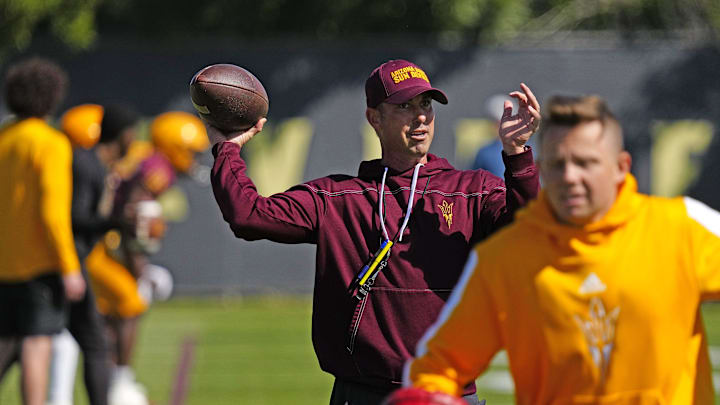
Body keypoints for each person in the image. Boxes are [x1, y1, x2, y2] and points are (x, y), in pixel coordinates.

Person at [207, 59, 541, 404]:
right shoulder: (337, 198)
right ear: (374, 118)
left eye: (426, 104)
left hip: (447, 392)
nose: (421, 116)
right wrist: (227, 148)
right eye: (405, 106)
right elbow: (249, 215)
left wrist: (517, 156)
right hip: (361, 393)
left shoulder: (470, 190)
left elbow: (528, 233)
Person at [400, 95, 720, 404]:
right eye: (557, 164)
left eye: (585, 163)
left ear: (621, 166)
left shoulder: (682, 227)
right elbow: (438, 366)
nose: (569, 177)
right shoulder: (506, 256)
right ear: (541, 167)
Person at [84, 110, 207, 405]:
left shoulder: (145, 155)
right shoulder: (158, 169)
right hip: (101, 243)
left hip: (102, 240)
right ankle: (120, 385)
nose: (193, 157)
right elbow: (136, 219)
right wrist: (141, 270)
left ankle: (115, 383)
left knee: (110, 317)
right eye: (189, 150)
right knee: (130, 303)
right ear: (174, 146)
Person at [0, 57, 85, 405]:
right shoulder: (51, 143)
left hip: (3, 263)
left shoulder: (4, 138)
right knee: (37, 344)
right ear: (52, 97)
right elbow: (51, 214)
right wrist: (69, 267)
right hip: (39, 266)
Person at [46, 103, 140, 405]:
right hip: (65, 263)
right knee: (95, 344)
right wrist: (117, 222)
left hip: (67, 261)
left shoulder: (95, 165)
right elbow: (74, 218)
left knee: (22, 339)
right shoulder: (88, 165)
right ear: (124, 136)